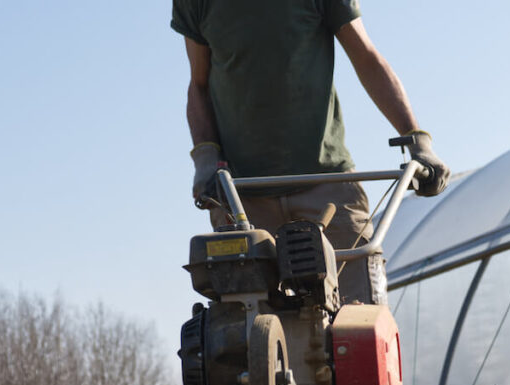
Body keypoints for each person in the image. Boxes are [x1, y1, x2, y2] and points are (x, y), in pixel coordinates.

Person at [172, 0, 450, 305]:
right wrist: (205, 158)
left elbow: (366, 58)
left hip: (327, 187)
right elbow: (198, 84)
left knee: (360, 318)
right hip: (243, 199)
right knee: (243, 329)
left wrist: (415, 139)